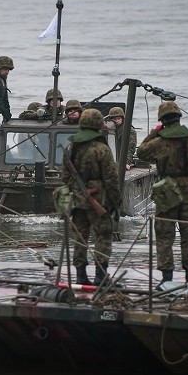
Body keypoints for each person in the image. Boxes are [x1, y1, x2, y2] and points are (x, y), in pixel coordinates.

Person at [138, 101, 188, 285]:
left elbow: (141, 153)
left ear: (162, 120)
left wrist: (155, 131)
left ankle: (167, 278)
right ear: (179, 117)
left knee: (164, 236)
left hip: (167, 192)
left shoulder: (159, 142)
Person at [61, 108, 121, 286]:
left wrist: (79, 190)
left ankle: (80, 276)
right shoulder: (102, 149)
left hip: (78, 202)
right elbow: (111, 178)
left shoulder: (71, 148)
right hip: (100, 200)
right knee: (103, 236)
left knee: (80, 237)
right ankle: (101, 276)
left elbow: (65, 177)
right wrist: (116, 202)